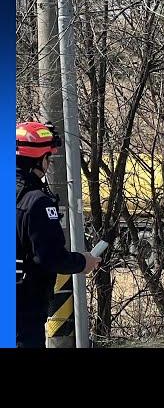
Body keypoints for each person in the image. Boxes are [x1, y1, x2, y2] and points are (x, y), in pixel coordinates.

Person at [16, 121, 101, 348]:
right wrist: (83, 261)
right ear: (41, 160)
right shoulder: (36, 202)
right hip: (23, 310)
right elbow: (50, 257)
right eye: (49, 158)